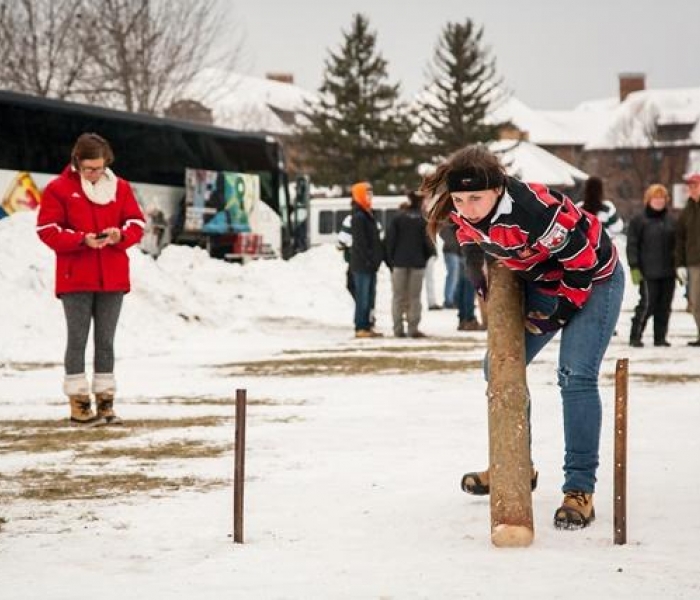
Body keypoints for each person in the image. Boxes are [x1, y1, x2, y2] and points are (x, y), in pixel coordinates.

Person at [422, 144, 624, 530]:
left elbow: (580, 266)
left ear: (498, 190)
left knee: (575, 377)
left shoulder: (534, 212)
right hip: (544, 278)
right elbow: (464, 231)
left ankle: (579, 490)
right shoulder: (464, 205)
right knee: (497, 369)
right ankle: (515, 465)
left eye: (476, 199)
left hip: (594, 279)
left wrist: (560, 314)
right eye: (460, 199)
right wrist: (473, 266)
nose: (467, 207)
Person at [36, 133, 145, 426]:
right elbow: (47, 229)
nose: (94, 173)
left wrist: (120, 235)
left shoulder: (120, 187)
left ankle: (106, 403)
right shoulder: (58, 189)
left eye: (98, 167)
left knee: (106, 342)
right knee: (77, 340)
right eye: (88, 169)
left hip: (113, 277)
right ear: (77, 163)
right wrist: (81, 240)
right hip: (76, 278)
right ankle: (79, 404)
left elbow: (136, 222)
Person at [627, 184, 677, 347]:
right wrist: (634, 266)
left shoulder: (671, 221)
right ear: (648, 200)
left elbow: (677, 245)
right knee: (647, 304)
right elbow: (632, 244)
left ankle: (660, 338)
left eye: (662, 198)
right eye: (655, 198)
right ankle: (636, 336)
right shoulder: (639, 220)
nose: (659, 201)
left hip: (668, 271)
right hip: (647, 272)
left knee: (664, 307)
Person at [385, 191, 436, 337]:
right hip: (417, 264)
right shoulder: (422, 220)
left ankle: (397, 328)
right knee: (415, 297)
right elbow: (428, 244)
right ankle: (413, 328)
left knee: (398, 297)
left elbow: (390, 241)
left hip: (399, 263)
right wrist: (425, 258)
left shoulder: (398, 219)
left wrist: (391, 261)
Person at [350, 181, 384, 338]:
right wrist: (370, 260)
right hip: (362, 265)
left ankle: (368, 325)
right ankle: (360, 326)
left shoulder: (369, 214)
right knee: (362, 298)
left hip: (371, 265)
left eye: (371, 193)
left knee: (370, 297)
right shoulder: (358, 217)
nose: (370, 197)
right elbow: (361, 244)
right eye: (367, 193)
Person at [675, 172, 700, 346]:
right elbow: (680, 240)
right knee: (695, 302)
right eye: (690, 186)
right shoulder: (686, 212)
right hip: (693, 263)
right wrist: (680, 265)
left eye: (695, 185)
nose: (692, 189)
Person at [439, 222, 462, 309]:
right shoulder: (448, 217)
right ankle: (449, 300)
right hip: (451, 251)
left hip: (461, 252)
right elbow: (443, 232)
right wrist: (455, 243)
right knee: (453, 275)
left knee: (461, 277)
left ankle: (456, 299)